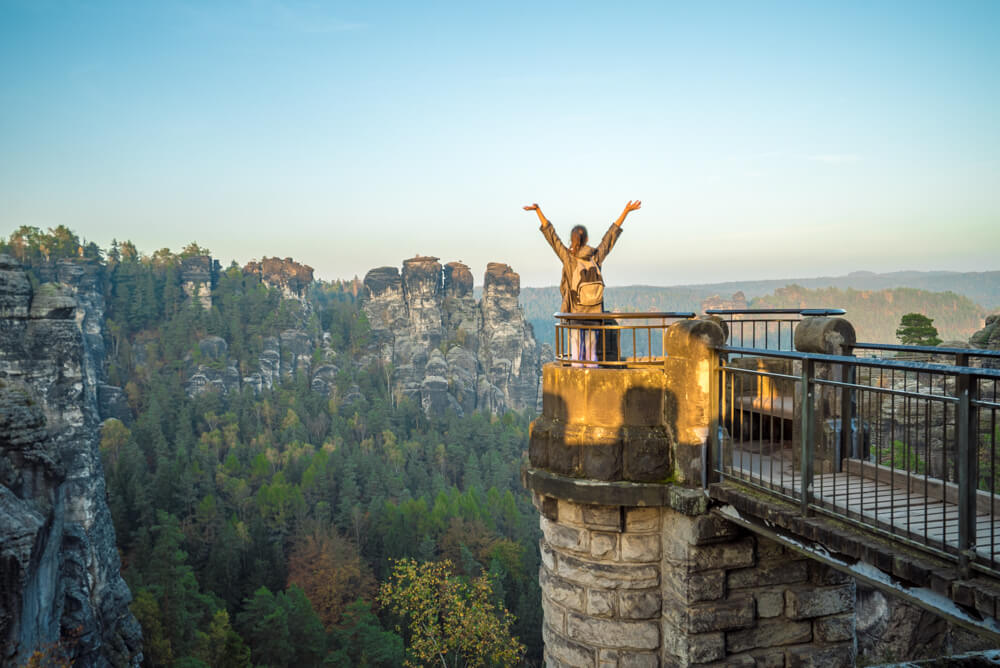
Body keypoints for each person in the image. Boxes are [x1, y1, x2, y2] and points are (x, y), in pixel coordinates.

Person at [524, 200, 641, 365]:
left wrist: (538, 211)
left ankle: (576, 382)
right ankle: (593, 377)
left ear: (572, 239)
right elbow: (610, 237)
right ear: (586, 239)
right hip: (595, 314)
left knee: (576, 354)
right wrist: (626, 211)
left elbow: (552, 237)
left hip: (576, 314)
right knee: (592, 353)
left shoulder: (569, 259)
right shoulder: (595, 257)